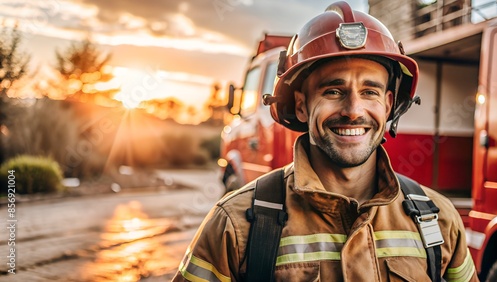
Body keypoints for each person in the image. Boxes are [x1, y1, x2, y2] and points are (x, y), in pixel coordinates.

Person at [172, 1, 478, 281]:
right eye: (333, 91)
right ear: (302, 105)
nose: (353, 111)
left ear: (388, 105)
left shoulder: (439, 219)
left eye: (369, 91)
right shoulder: (234, 225)